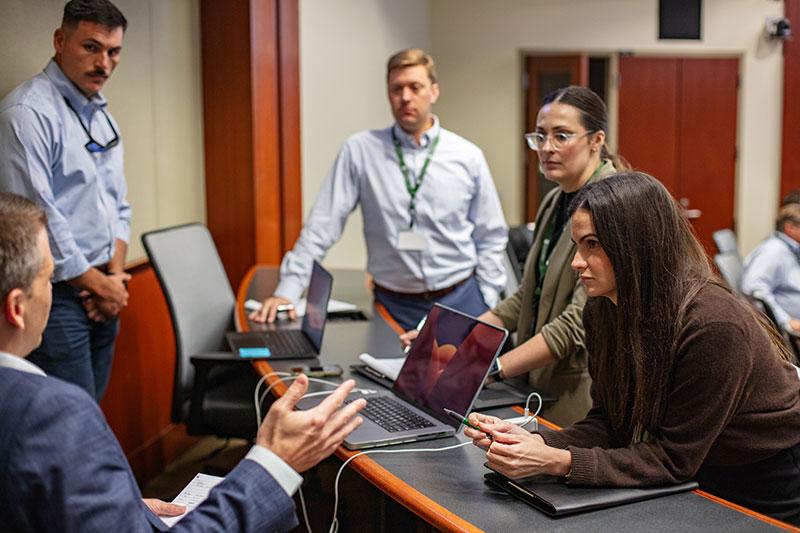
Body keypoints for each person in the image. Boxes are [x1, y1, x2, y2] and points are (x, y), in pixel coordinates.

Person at [0, 192, 367, 532]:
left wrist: (122, 512)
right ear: (17, 308)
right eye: (50, 278)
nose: (55, 290)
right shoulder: (52, 415)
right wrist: (276, 462)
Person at [465, 172, 800, 525]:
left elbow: (672, 460)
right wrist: (535, 442)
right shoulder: (603, 308)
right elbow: (611, 423)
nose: (578, 261)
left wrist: (556, 460)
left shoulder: (714, 327)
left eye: (592, 244)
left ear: (636, 244)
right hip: (701, 463)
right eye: (577, 244)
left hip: (767, 477)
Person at [404, 86, 627, 426]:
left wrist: (489, 368)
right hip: (540, 381)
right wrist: (455, 337)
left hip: (583, 389)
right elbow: (526, 296)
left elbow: (577, 323)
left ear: (597, 139)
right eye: (540, 136)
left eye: (561, 136)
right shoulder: (556, 201)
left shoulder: (612, 205)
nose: (547, 148)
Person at [250, 48, 508, 331]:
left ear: (433, 91)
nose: (406, 97)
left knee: (465, 377)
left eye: (415, 87)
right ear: (388, 94)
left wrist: (488, 296)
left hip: (461, 298)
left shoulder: (467, 155)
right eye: (397, 88)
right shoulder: (360, 151)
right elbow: (322, 226)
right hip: (394, 305)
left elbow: (491, 233)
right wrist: (287, 291)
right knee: (390, 376)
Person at [0, 0, 132, 401]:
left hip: (104, 289)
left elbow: (118, 205)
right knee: (70, 422)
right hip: (57, 299)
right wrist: (99, 286)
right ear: (60, 40)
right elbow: (38, 219)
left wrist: (115, 276)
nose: (103, 64)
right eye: (91, 47)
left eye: (113, 52)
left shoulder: (100, 114)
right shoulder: (28, 113)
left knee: (91, 413)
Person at [742, 203, 800, 333]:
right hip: (792, 330)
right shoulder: (773, 251)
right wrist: (786, 321)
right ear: (790, 227)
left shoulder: (790, 249)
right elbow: (754, 288)